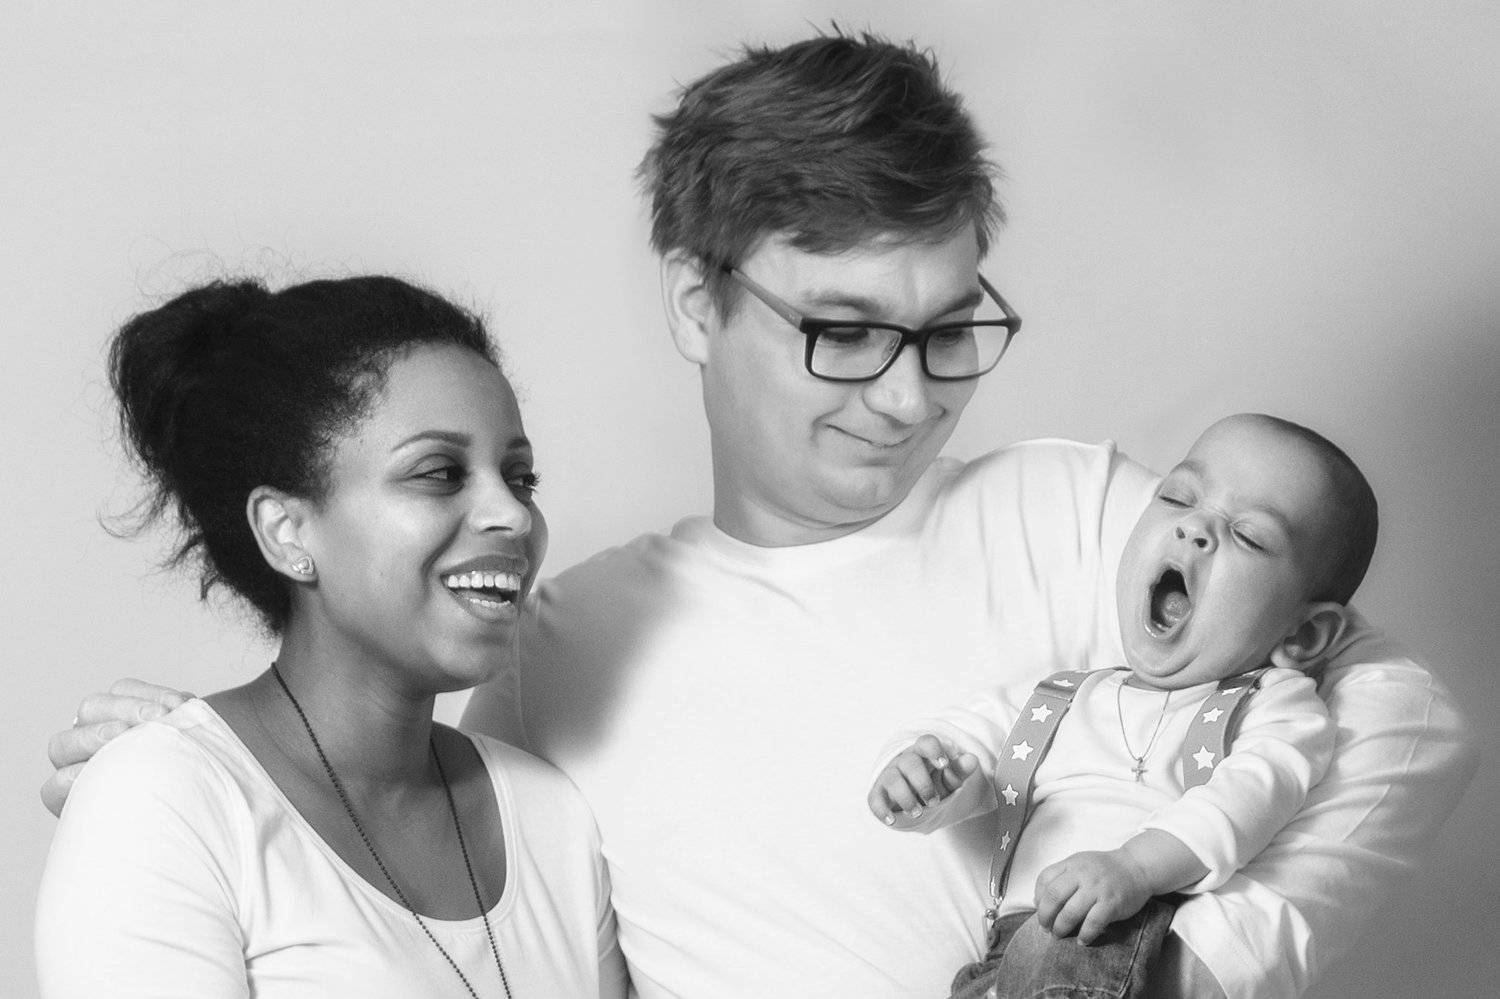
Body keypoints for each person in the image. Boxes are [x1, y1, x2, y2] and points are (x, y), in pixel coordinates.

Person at [42, 32, 1472, 999]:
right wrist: (218, 779)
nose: (908, 397)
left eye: (948, 330)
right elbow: (431, 875)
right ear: (696, 300)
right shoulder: (565, 649)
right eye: (844, 332)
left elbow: (1405, 718)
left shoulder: (1086, 517)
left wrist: (1176, 966)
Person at [34, 277, 629, 997]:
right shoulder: (165, 800)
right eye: (440, 473)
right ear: (288, 532)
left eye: (521, 477)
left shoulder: (553, 820)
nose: (513, 514)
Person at [869, 413, 1378, 998]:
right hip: (1004, 953)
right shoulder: (1061, 697)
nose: (1195, 527)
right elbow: (969, 746)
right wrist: (922, 778)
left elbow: (1248, 798)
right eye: (1178, 498)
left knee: (1052, 952)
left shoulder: (1272, 703)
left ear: (1304, 635)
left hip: (1111, 936)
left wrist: (1134, 868)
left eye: (1249, 536)